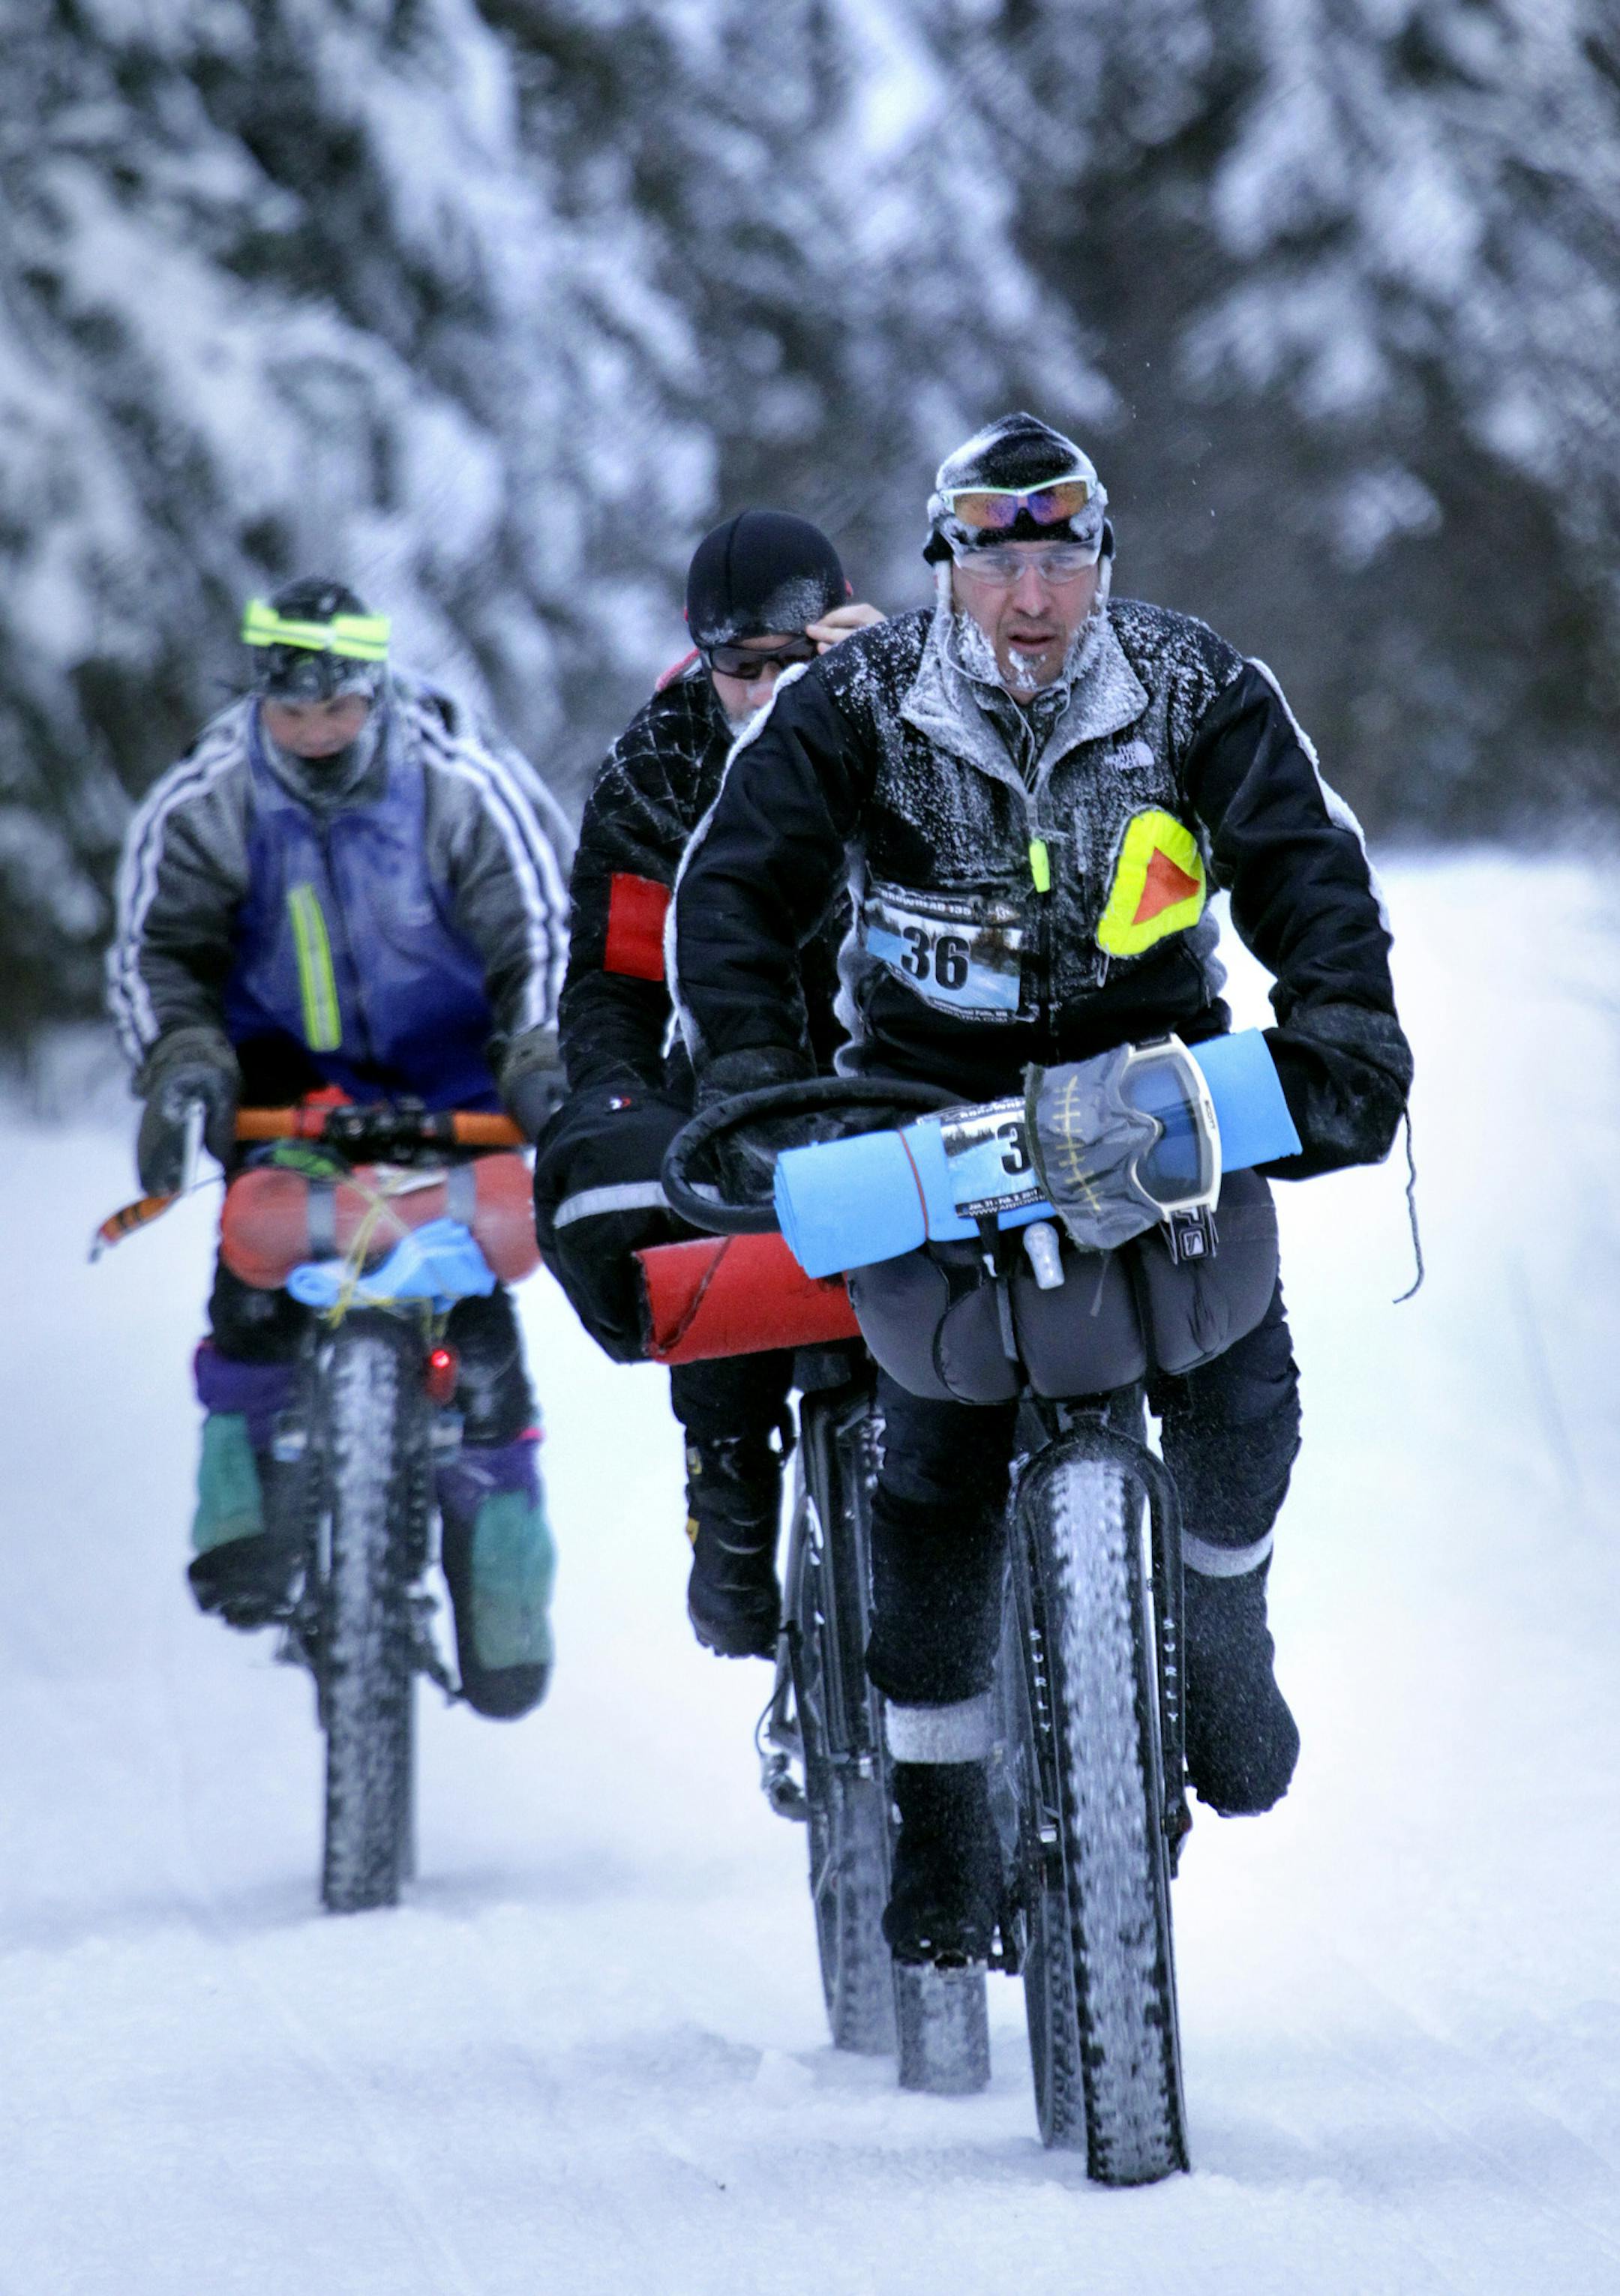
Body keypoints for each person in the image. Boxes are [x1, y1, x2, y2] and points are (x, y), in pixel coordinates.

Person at [670, 414, 1414, 1959]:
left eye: (1059, 558)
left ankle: (1222, 1633)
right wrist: (751, 1070)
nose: (1030, 595)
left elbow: (1308, 864)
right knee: (933, 1446)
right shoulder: (852, 704)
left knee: (1238, 1374)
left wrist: (1342, 1021)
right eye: (998, 558)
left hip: (1158, 1078)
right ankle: (939, 1813)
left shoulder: (1197, 685)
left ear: (1103, 564)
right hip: (925, 1095)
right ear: (946, 565)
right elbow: (734, 890)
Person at [108, 577, 572, 1719]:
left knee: (479, 1326)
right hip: (282, 1095)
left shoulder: (462, 786)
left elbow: (543, 929)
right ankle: (247, 1496)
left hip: (458, 1088)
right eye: (292, 709)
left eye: (339, 708)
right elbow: (155, 953)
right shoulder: (207, 803)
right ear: (261, 697)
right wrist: (184, 1065)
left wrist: (543, 1058)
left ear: (376, 691)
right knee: (254, 1283)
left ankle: (499, 1566)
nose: (316, 731)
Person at [539, 511, 880, 1658]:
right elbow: (617, 981)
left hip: (898, 1048)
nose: (769, 691)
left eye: (798, 662)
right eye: (745, 668)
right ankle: (729, 1472)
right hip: (726, 1067)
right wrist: (615, 1103)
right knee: (703, 1217)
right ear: (703, 660)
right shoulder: (661, 765)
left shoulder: (911, 705)